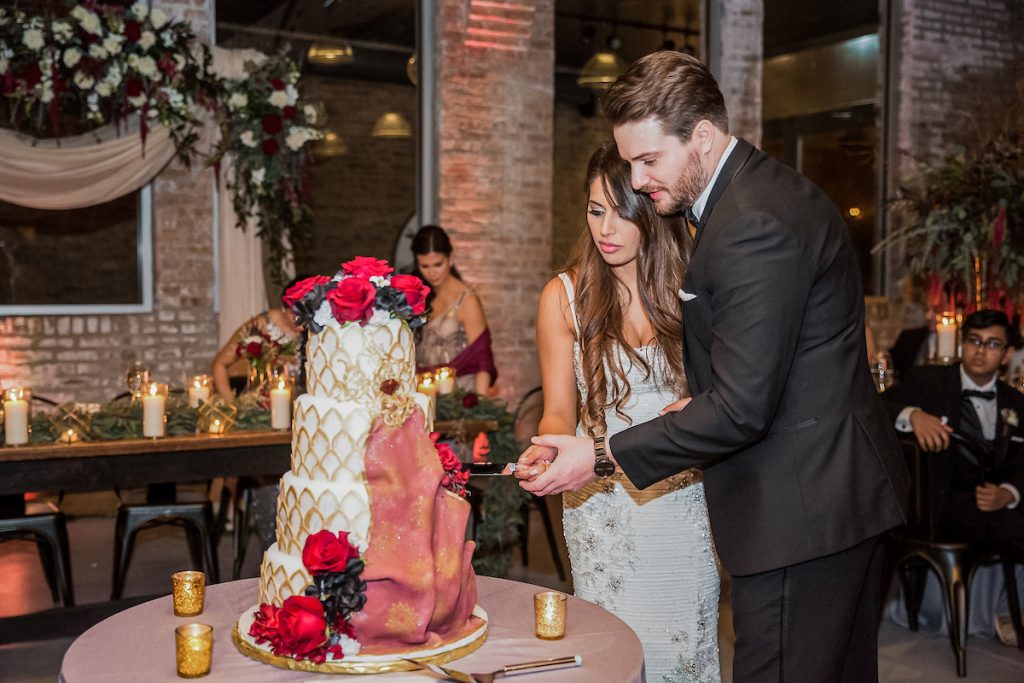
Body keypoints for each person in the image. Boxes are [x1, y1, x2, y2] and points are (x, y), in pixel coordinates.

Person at [518, 51, 909, 682]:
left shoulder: (747, 223)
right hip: (832, 497)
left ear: (701, 135)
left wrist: (601, 456)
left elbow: (743, 407)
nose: (639, 181)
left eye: (649, 160)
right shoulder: (762, 193)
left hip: (800, 510)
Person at [525, 141, 719, 681]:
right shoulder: (563, 296)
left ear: (652, 212)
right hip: (602, 505)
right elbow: (559, 411)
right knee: (615, 659)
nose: (605, 229)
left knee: (682, 656)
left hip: (682, 502)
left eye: (621, 212)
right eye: (595, 210)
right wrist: (550, 447)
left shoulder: (696, 287)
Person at [883, 309, 1024, 550]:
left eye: (992, 344)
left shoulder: (1016, 402)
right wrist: (913, 415)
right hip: (936, 506)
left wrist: (1009, 493)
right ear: (961, 345)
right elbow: (877, 406)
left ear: (1007, 354)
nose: (980, 351)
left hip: (990, 509)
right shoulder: (927, 380)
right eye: (974, 341)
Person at [411, 225, 497, 395]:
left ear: (450, 259)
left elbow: (482, 360)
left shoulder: (466, 300)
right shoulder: (418, 297)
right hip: (424, 394)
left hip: (460, 398)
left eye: (438, 264)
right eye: (425, 266)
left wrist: (482, 404)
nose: (432, 273)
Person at [211, 277, 306, 401]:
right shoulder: (263, 324)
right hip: (264, 407)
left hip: (305, 408)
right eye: (295, 315)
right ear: (284, 308)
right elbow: (219, 364)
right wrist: (232, 407)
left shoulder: (320, 328)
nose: (302, 324)